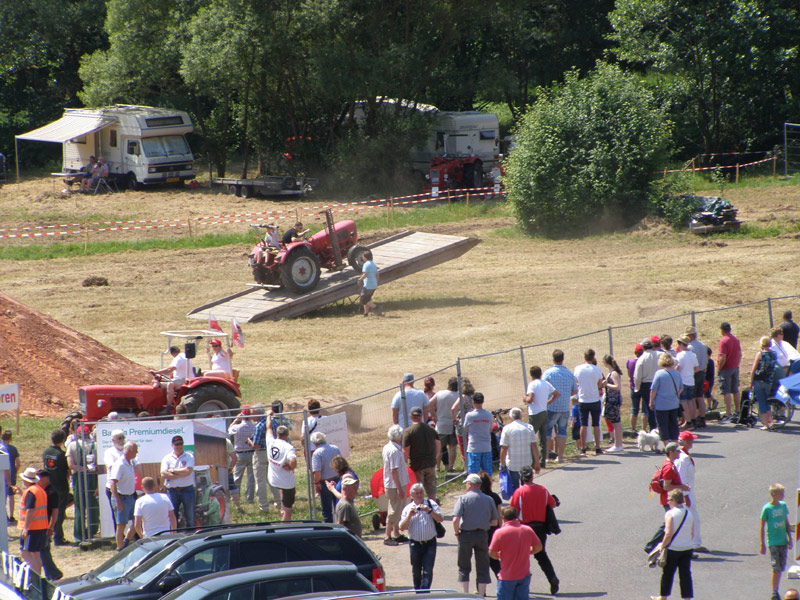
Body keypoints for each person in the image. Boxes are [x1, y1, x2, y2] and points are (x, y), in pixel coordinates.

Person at [509, 465, 560, 595]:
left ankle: (519, 585)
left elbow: (512, 511)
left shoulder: (519, 492)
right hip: (540, 527)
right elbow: (553, 503)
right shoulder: (542, 489)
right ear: (532, 476)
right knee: (541, 554)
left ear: (521, 478)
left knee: (521, 556)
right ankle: (552, 578)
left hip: (524, 528)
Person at [452, 473, 499, 596]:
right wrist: (484, 523)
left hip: (466, 535)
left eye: (467, 484)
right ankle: (481, 595)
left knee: (464, 566)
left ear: (471, 484)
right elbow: (495, 521)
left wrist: (457, 533)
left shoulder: (463, 499)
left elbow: (455, 519)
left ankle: (465, 594)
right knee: (483, 566)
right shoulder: (489, 499)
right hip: (482, 535)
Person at [489, 506, 543, 600]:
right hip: (524, 574)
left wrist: (499, 555)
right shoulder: (527, 530)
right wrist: (528, 551)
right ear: (517, 517)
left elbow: (492, 552)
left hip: (507, 576)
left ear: (503, 518)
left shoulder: (500, 532)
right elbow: (538, 547)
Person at [651, 490, 694, 600]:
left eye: (669, 499)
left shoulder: (670, 513)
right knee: (685, 575)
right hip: (687, 548)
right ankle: (687, 598)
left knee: (667, 574)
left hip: (673, 549)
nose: (668, 502)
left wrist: (663, 546)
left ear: (674, 500)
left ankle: (663, 597)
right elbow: (692, 532)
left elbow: (668, 533)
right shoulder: (688, 512)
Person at [399, 483, 444, 590]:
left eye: (421, 493)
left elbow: (440, 519)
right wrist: (409, 515)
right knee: (416, 571)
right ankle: (418, 592)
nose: (419, 495)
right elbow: (401, 527)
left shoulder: (431, 504)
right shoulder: (407, 508)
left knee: (428, 570)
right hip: (415, 544)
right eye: (416, 493)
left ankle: (424, 593)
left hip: (430, 543)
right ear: (412, 496)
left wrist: (429, 511)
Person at [543, 350, 577, 463]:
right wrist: (566, 394)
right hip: (564, 406)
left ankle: (547, 456)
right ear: (563, 359)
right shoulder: (569, 373)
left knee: (547, 431)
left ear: (553, 359)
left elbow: (542, 387)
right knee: (562, 431)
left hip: (551, 406)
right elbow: (575, 390)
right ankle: (561, 456)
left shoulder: (548, 373)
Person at [66, 424, 99, 541]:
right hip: (93, 479)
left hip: (78, 478)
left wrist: (82, 469)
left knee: (79, 507)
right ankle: (93, 532)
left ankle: (79, 536)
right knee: (93, 506)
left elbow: (71, 465)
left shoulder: (72, 445)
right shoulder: (96, 446)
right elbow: (99, 466)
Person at [761, 483, 793, 600]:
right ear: (774, 494)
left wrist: (789, 538)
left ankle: (776, 588)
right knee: (776, 567)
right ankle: (774, 591)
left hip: (783, 541)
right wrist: (762, 543)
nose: (783, 496)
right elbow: (762, 526)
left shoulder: (783, 506)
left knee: (781, 566)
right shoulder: (767, 509)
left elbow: (786, 522)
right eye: (781, 494)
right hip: (773, 542)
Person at [674, 431, 705, 552]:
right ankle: (693, 543)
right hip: (686, 492)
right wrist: (685, 495)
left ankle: (694, 542)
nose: (693, 442)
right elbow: (682, 477)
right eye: (691, 440)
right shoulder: (683, 458)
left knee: (691, 517)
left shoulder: (684, 456)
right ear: (686, 443)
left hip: (688, 490)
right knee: (691, 517)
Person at [402, 406, 440, 499]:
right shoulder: (430, 429)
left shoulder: (408, 431)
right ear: (421, 416)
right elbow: (438, 443)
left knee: (418, 489)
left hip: (417, 465)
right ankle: (433, 507)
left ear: (411, 416)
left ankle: (420, 509)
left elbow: (406, 449)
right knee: (431, 488)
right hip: (430, 463)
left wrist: (404, 462)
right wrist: (435, 456)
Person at [524, 366, 558, 469]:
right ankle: (542, 461)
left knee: (530, 437)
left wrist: (525, 399)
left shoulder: (532, 385)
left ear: (531, 375)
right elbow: (556, 394)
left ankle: (533, 461)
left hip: (534, 414)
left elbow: (530, 399)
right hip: (544, 412)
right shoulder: (546, 383)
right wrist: (548, 402)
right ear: (540, 373)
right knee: (543, 439)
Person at [266, 413, 297, 522]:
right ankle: (285, 527)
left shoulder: (270, 441)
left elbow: (268, 427)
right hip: (287, 482)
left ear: (277, 433)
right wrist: (291, 466)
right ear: (287, 434)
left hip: (273, 479)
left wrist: (268, 415)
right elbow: (293, 461)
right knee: (289, 509)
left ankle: (282, 511)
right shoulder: (288, 447)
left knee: (283, 497)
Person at [498, 408, 538, 493]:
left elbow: (504, 448)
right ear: (521, 416)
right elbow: (534, 446)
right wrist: (537, 462)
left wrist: (502, 463)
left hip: (513, 464)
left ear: (510, 417)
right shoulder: (529, 427)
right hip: (527, 462)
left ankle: (517, 503)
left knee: (515, 487)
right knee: (527, 486)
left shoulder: (506, 428)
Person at [160, 435, 195, 529]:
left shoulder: (189, 456)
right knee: (172, 516)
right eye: (176, 445)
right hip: (172, 491)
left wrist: (171, 470)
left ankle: (191, 537)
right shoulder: (167, 458)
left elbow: (188, 472)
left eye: (180, 444)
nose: (179, 446)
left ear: (183, 444)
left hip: (187, 489)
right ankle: (174, 537)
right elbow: (163, 475)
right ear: (172, 445)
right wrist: (181, 472)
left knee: (190, 517)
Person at [42, 429, 70, 546]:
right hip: (61, 486)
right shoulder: (62, 455)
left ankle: (47, 536)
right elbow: (67, 471)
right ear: (62, 440)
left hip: (48, 486)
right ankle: (58, 537)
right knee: (59, 512)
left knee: (49, 512)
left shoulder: (46, 452)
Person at [574, 348, 605, 455]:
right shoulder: (597, 369)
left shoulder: (578, 369)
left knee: (583, 424)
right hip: (594, 399)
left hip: (583, 399)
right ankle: (597, 447)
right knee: (596, 424)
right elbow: (600, 384)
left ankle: (583, 447)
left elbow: (576, 381)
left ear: (584, 357)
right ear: (593, 357)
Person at [381, 425, 408, 545]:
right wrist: (399, 489)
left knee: (397, 509)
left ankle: (396, 533)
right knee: (394, 510)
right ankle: (387, 536)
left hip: (394, 484)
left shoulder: (389, 447)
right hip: (395, 485)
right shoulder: (394, 451)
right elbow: (394, 470)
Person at [18, 468, 47, 574]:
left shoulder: (30, 492)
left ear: (26, 481)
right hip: (41, 526)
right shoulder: (40, 490)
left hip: (32, 528)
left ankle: (35, 575)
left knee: (25, 553)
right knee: (36, 553)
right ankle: (39, 576)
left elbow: (30, 510)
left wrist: (25, 528)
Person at [35, 469, 63, 581]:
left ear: (45, 479)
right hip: (40, 525)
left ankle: (53, 573)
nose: (37, 481)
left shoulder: (51, 492)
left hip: (45, 526)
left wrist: (51, 527)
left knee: (43, 550)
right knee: (43, 550)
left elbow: (55, 511)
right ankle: (52, 573)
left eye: (39, 478)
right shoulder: (41, 490)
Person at [110, 442, 138, 550]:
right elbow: (113, 483)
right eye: (135, 450)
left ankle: (126, 542)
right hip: (122, 497)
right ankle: (120, 548)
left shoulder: (130, 463)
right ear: (129, 451)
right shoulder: (120, 464)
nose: (137, 453)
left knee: (137, 521)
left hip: (130, 497)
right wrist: (118, 501)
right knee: (121, 525)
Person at [650, 353, 682, 444]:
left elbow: (653, 390)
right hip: (673, 403)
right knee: (673, 424)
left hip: (661, 404)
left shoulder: (659, 374)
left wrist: (651, 401)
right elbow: (681, 388)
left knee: (662, 425)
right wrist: (675, 395)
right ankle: (675, 443)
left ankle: (667, 446)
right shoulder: (676, 373)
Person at [311, 431, 341, 524]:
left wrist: (316, 483)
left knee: (327, 510)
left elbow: (317, 472)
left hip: (326, 483)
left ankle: (330, 528)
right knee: (339, 506)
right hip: (337, 479)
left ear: (314, 443)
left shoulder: (317, 454)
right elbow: (341, 464)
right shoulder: (335, 448)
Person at [228, 407, 255, 509]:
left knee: (237, 477)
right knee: (251, 477)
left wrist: (236, 420)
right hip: (251, 453)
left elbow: (229, 430)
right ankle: (249, 498)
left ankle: (236, 497)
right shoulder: (254, 427)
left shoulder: (237, 427)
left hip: (239, 453)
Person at [431, 377, 459, 472]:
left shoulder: (440, 394)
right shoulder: (459, 396)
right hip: (453, 425)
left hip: (441, 424)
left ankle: (437, 467)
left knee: (439, 448)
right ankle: (450, 467)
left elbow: (429, 404)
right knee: (452, 447)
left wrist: (434, 415)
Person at [247, 406, 272, 513]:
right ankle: (278, 502)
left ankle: (264, 506)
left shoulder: (258, 426)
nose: (251, 416)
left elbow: (256, 445)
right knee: (272, 479)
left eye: (252, 413)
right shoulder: (272, 422)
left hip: (260, 453)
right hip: (271, 452)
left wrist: (249, 441)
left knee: (260, 480)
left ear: (258, 413)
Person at [479, 471, 503, 580]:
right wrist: (500, 529)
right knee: (494, 559)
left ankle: (480, 589)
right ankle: (502, 579)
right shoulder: (494, 497)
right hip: (494, 531)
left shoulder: (479, 497)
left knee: (482, 561)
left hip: (481, 531)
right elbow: (499, 516)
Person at [751, 336, 779, 430]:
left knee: (761, 402)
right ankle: (771, 421)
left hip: (759, 381)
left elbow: (753, 370)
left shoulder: (760, 354)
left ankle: (765, 424)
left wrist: (751, 382)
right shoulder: (774, 354)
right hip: (769, 381)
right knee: (768, 402)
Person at [685, 326, 709, 428]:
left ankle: (693, 419)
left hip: (694, 373)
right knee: (700, 396)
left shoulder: (690, 347)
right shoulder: (703, 346)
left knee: (693, 398)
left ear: (690, 336)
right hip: (702, 372)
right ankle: (702, 418)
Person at [717, 321, 742, 421]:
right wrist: (737, 364)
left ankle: (728, 412)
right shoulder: (736, 339)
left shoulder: (724, 341)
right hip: (735, 367)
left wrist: (719, 367)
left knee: (726, 391)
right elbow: (740, 354)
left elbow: (723, 357)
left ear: (722, 331)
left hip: (726, 368)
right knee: (735, 390)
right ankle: (737, 410)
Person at [463, 392, 493, 474]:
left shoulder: (469, 415)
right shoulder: (488, 414)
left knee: (473, 474)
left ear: (473, 402)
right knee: (487, 473)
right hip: (486, 447)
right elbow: (490, 428)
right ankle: (488, 486)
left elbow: (465, 429)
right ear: (483, 401)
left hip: (474, 447)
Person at [635, 339, 661, 434]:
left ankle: (653, 428)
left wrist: (637, 387)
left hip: (646, 384)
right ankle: (661, 426)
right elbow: (674, 361)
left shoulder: (641, 359)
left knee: (650, 408)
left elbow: (637, 377)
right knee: (660, 405)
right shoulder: (660, 355)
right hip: (659, 381)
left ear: (643, 347)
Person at [675, 336, 700, 429]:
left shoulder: (680, 355)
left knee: (683, 402)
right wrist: (690, 372)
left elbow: (677, 368)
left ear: (681, 344)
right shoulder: (693, 355)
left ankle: (688, 421)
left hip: (683, 381)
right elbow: (697, 368)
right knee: (691, 401)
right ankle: (694, 419)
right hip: (691, 381)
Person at [103, 429, 126, 531]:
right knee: (117, 515)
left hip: (127, 487)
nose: (122, 440)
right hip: (114, 487)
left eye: (123, 437)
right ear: (113, 440)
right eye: (119, 438)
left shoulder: (127, 450)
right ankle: (119, 539)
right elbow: (113, 467)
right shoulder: (109, 452)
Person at [601, 355, 625, 452]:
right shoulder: (611, 373)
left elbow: (618, 386)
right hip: (611, 399)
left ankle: (618, 444)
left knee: (616, 423)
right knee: (615, 422)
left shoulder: (614, 373)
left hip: (614, 400)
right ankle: (617, 443)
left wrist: (607, 384)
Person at [452, 378, 476, 463]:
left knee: (463, 447)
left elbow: (453, 409)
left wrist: (454, 420)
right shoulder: (474, 396)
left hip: (463, 424)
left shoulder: (463, 397)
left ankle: (466, 467)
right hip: (473, 425)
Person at [1, 430, 20, 523]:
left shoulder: (1, 448)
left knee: (2, 496)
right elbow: (18, 462)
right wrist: (15, 471)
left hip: (2, 474)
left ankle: (4, 515)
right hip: (11, 473)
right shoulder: (13, 449)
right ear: (11, 438)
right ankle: (12, 515)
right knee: (11, 495)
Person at [627, 344, 646, 432]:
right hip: (643, 386)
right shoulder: (644, 361)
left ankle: (633, 428)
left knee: (634, 409)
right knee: (644, 409)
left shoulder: (630, 362)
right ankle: (644, 429)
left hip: (633, 386)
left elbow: (629, 374)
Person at [358, 249, 381, 317]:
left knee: (363, 300)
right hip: (373, 285)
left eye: (363, 256)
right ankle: (366, 313)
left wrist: (360, 279)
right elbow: (377, 275)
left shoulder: (366, 264)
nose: (362, 258)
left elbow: (365, 274)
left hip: (368, 285)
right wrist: (376, 282)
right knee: (367, 299)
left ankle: (377, 307)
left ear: (366, 257)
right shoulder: (373, 264)